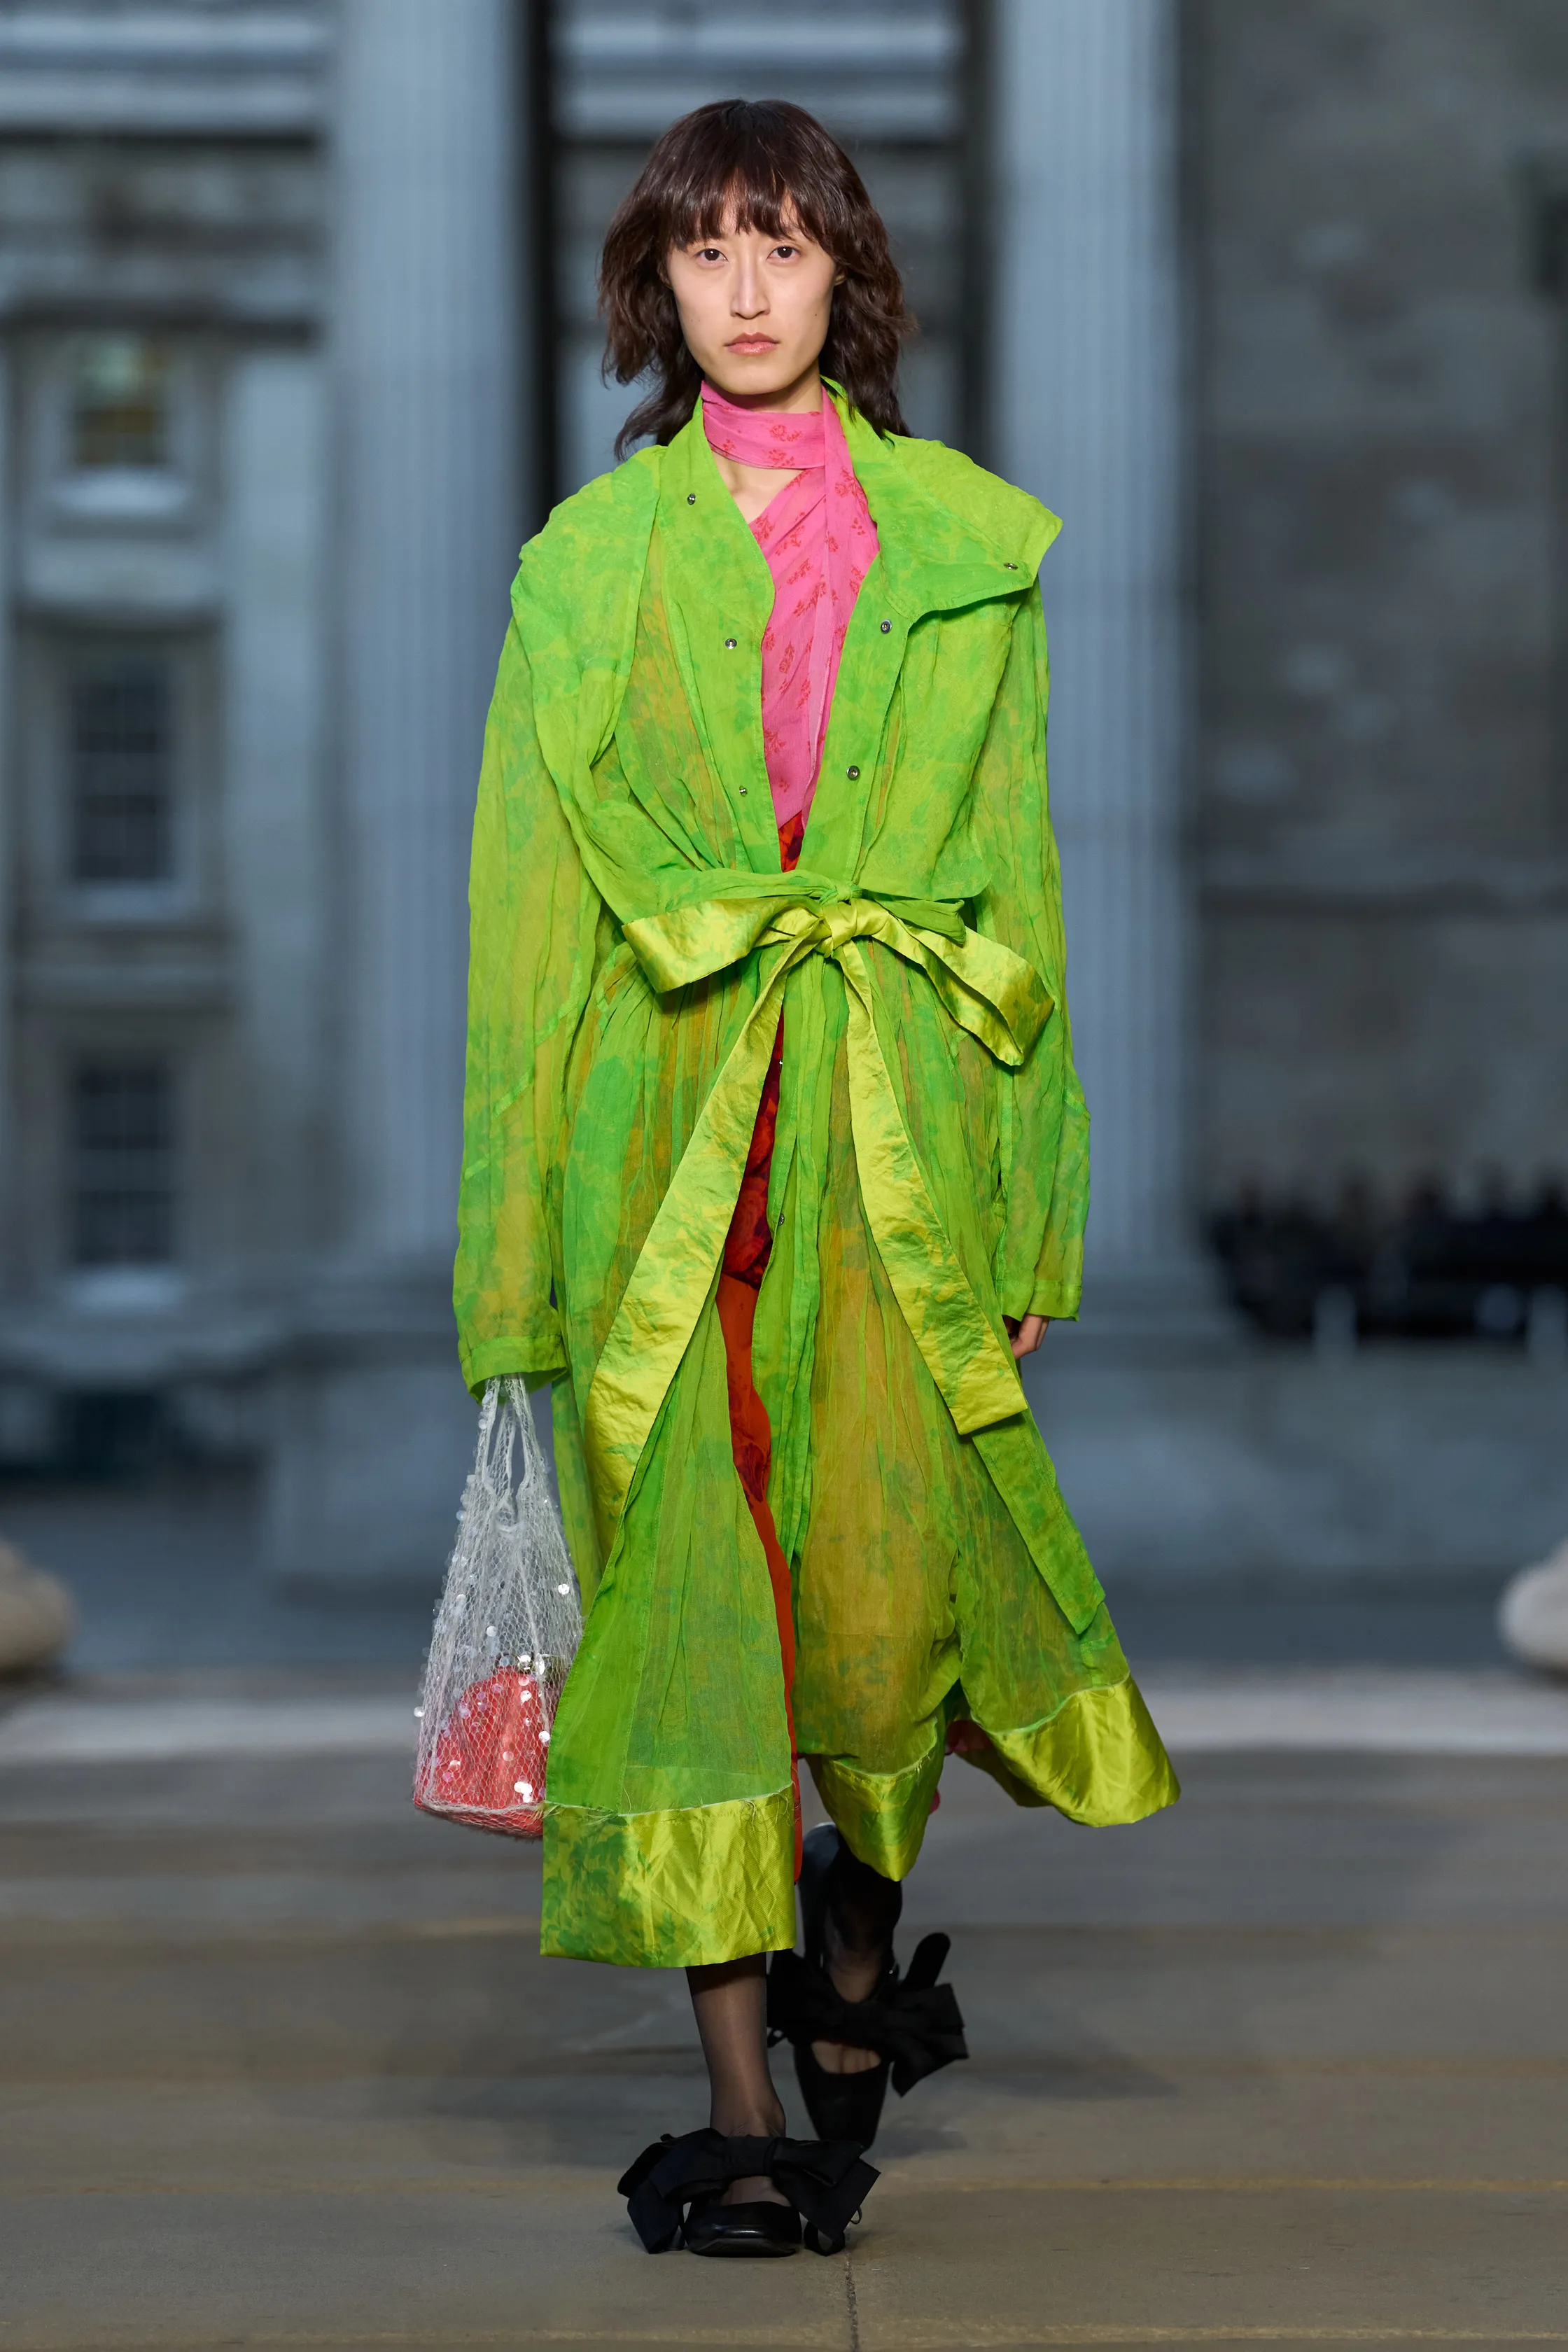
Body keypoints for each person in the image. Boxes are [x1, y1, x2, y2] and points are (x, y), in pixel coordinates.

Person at [454, 97, 1179, 2258]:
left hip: (894, 1132)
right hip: (660, 1153)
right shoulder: (587, 566)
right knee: (690, 1624)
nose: (748, 290)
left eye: (785, 245)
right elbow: (526, 930)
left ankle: (857, 1937)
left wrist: (1033, 1199)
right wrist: (511, 1265)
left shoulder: (967, 543)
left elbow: (1016, 885)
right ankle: (744, 2106)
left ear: (847, 271)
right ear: (654, 289)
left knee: (878, 1610)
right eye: (707, 252)